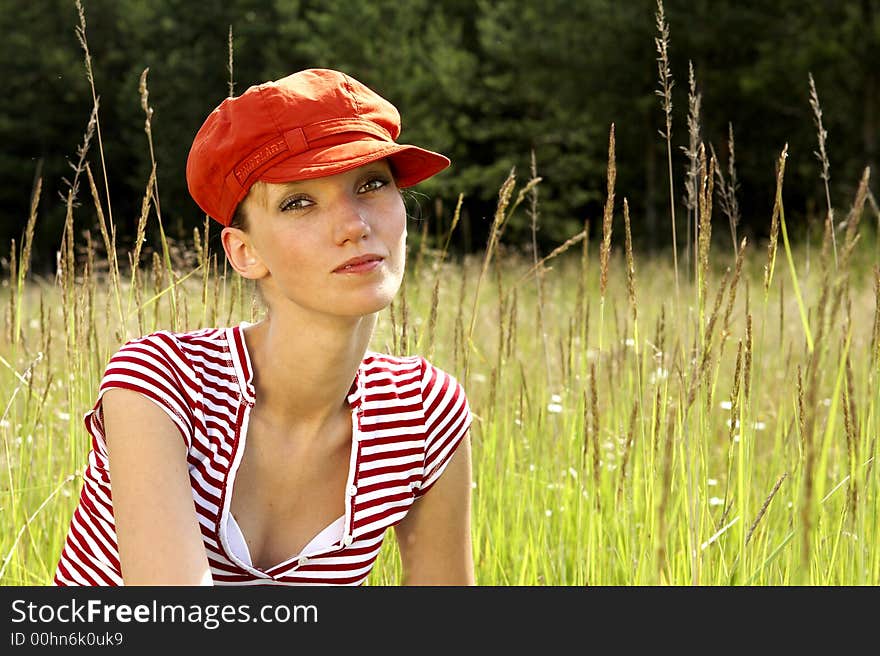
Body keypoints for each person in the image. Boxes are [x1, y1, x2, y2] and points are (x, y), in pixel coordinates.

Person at [54, 68, 474, 586]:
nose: (354, 226)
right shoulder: (162, 383)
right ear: (245, 252)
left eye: (371, 185)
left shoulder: (425, 413)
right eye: (299, 202)